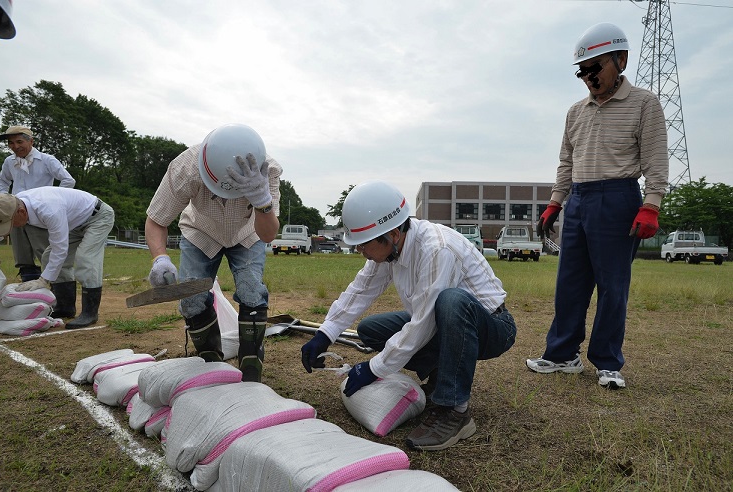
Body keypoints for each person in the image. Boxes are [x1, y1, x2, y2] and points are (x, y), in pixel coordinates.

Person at [300, 181, 516, 451]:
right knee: (371, 329)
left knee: (452, 301)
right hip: (444, 325)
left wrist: (373, 368)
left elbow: (424, 323)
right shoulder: (392, 250)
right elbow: (360, 291)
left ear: (392, 234)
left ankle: (455, 411)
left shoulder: (437, 249)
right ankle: (441, 376)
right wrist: (325, 333)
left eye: (364, 244)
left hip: (492, 327)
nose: (360, 250)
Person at [527, 23, 669, 389]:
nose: (589, 77)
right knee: (570, 283)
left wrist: (651, 204)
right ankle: (562, 354)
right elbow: (566, 162)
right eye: (583, 72)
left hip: (619, 198)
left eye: (596, 67)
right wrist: (555, 203)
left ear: (621, 60)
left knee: (612, 284)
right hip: (579, 199)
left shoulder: (644, 103)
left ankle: (607, 361)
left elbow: (656, 159)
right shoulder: (576, 112)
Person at [145, 124, 281, 382]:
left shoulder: (267, 170)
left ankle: (251, 361)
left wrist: (263, 204)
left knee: (252, 290)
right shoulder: (186, 167)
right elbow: (156, 219)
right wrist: (160, 258)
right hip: (201, 230)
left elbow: (268, 235)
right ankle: (210, 358)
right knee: (191, 297)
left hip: (247, 232)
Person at [0, 187, 115, 329]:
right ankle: (65, 307)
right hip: (75, 224)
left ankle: (90, 313)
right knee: (48, 256)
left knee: (86, 258)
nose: (11, 227)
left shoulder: (48, 209)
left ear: (21, 212)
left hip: (98, 217)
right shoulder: (12, 204)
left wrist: (43, 280)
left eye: (10, 222)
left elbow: (60, 249)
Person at [0, 126, 76, 296]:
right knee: (22, 257)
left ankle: (58, 297)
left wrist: (56, 199)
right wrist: (6, 201)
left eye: (19, 141)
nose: (15, 146)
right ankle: (29, 296)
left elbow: (68, 180)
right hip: (16, 215)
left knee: (46, 254)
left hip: (40, 214)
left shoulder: (47, 160)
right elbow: (2, 181)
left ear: (31, 141)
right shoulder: (9, 162)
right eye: (11, 143)